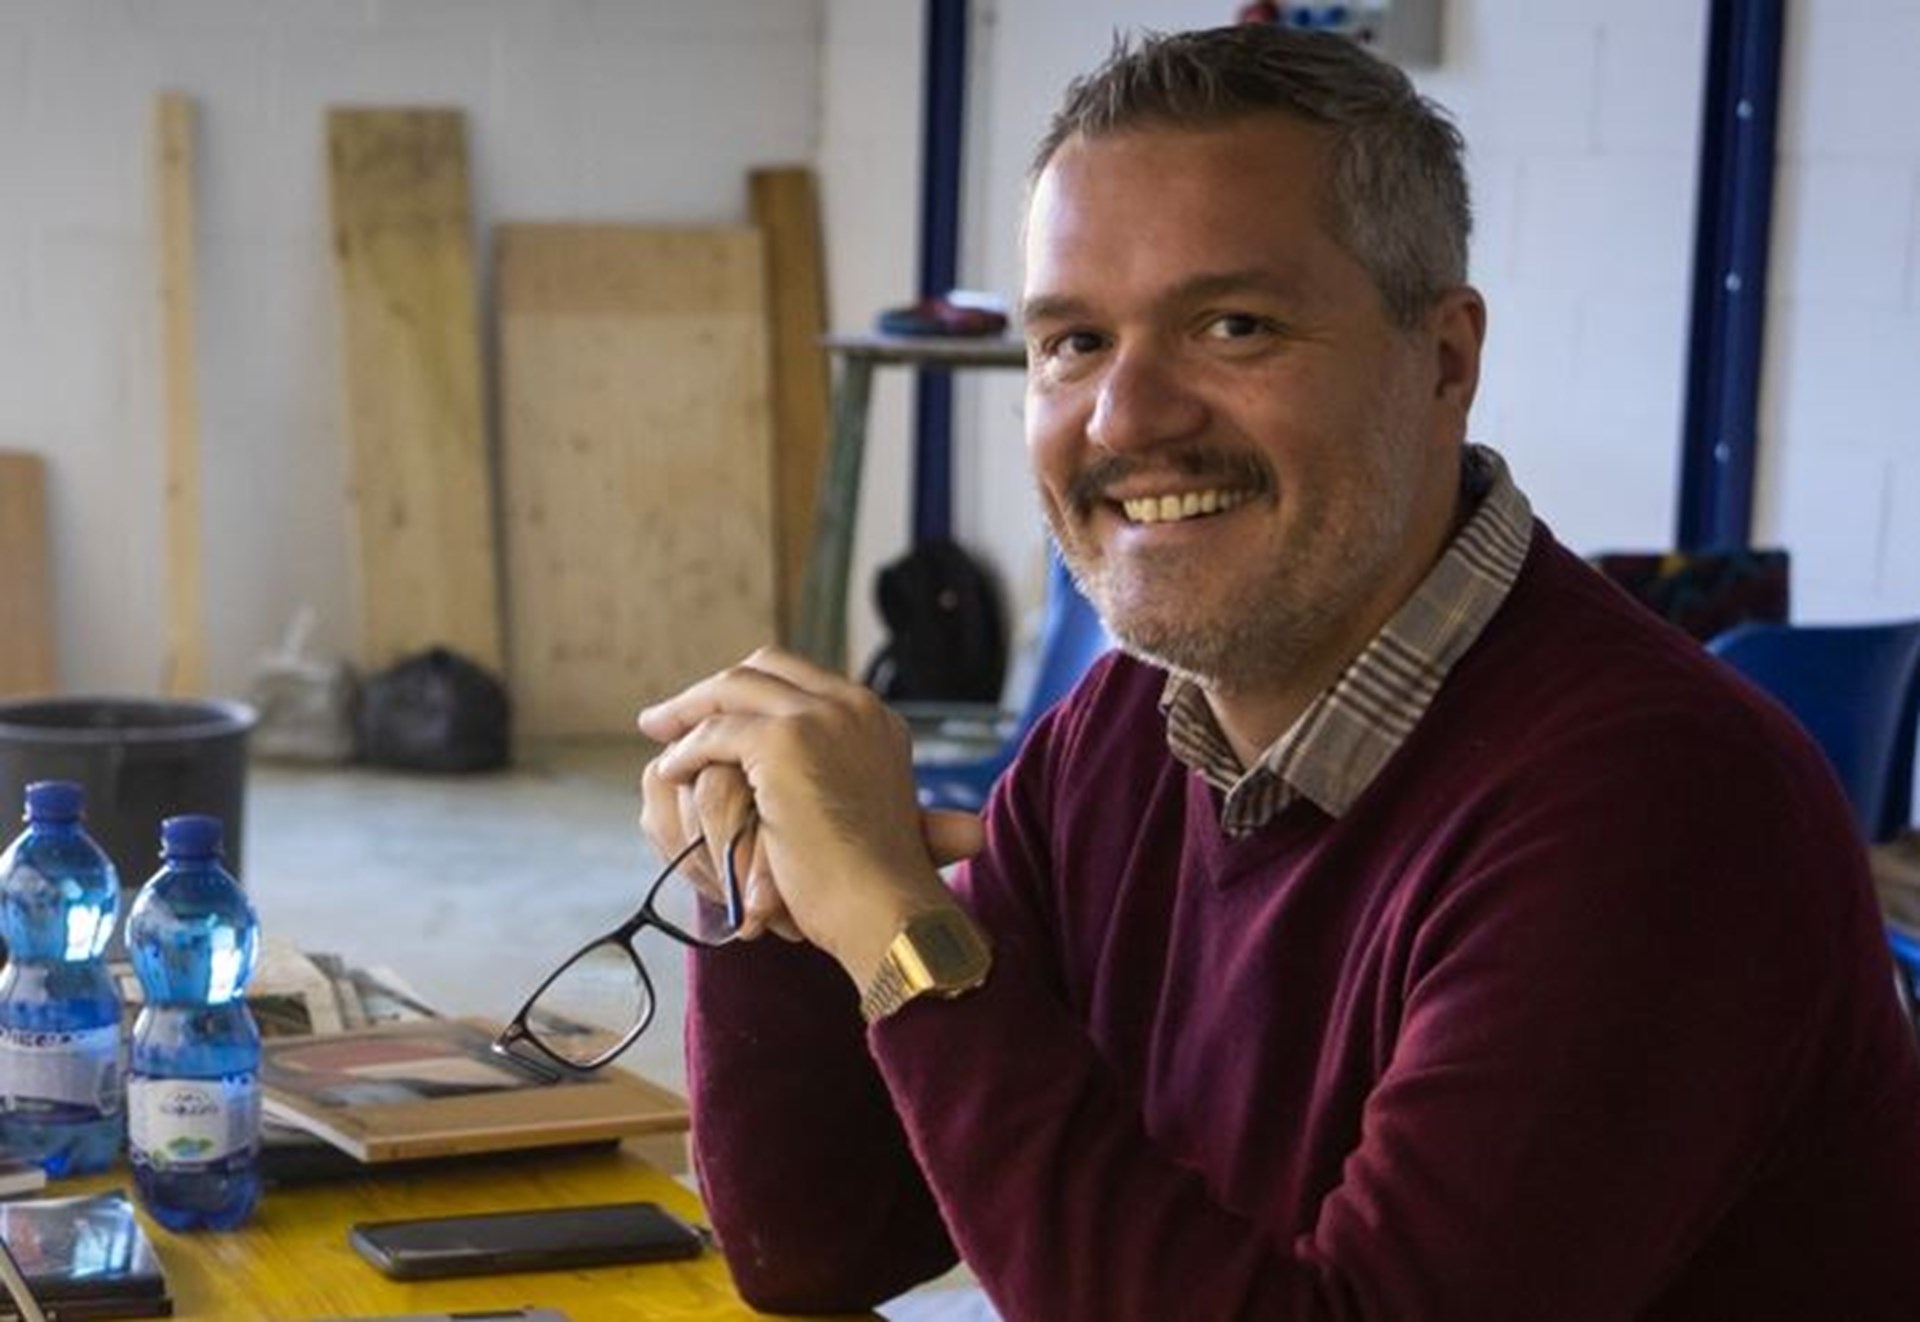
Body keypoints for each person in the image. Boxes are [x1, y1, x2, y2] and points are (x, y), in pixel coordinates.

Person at [637, 23, 1920, 1321]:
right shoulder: (1127, 731)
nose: (1127, 417)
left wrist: (901, 932)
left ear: (1446, 360)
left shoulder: (1659, 804)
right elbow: (824, 1241)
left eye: (1233, 326)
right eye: (1073, 342)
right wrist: (766, 879)